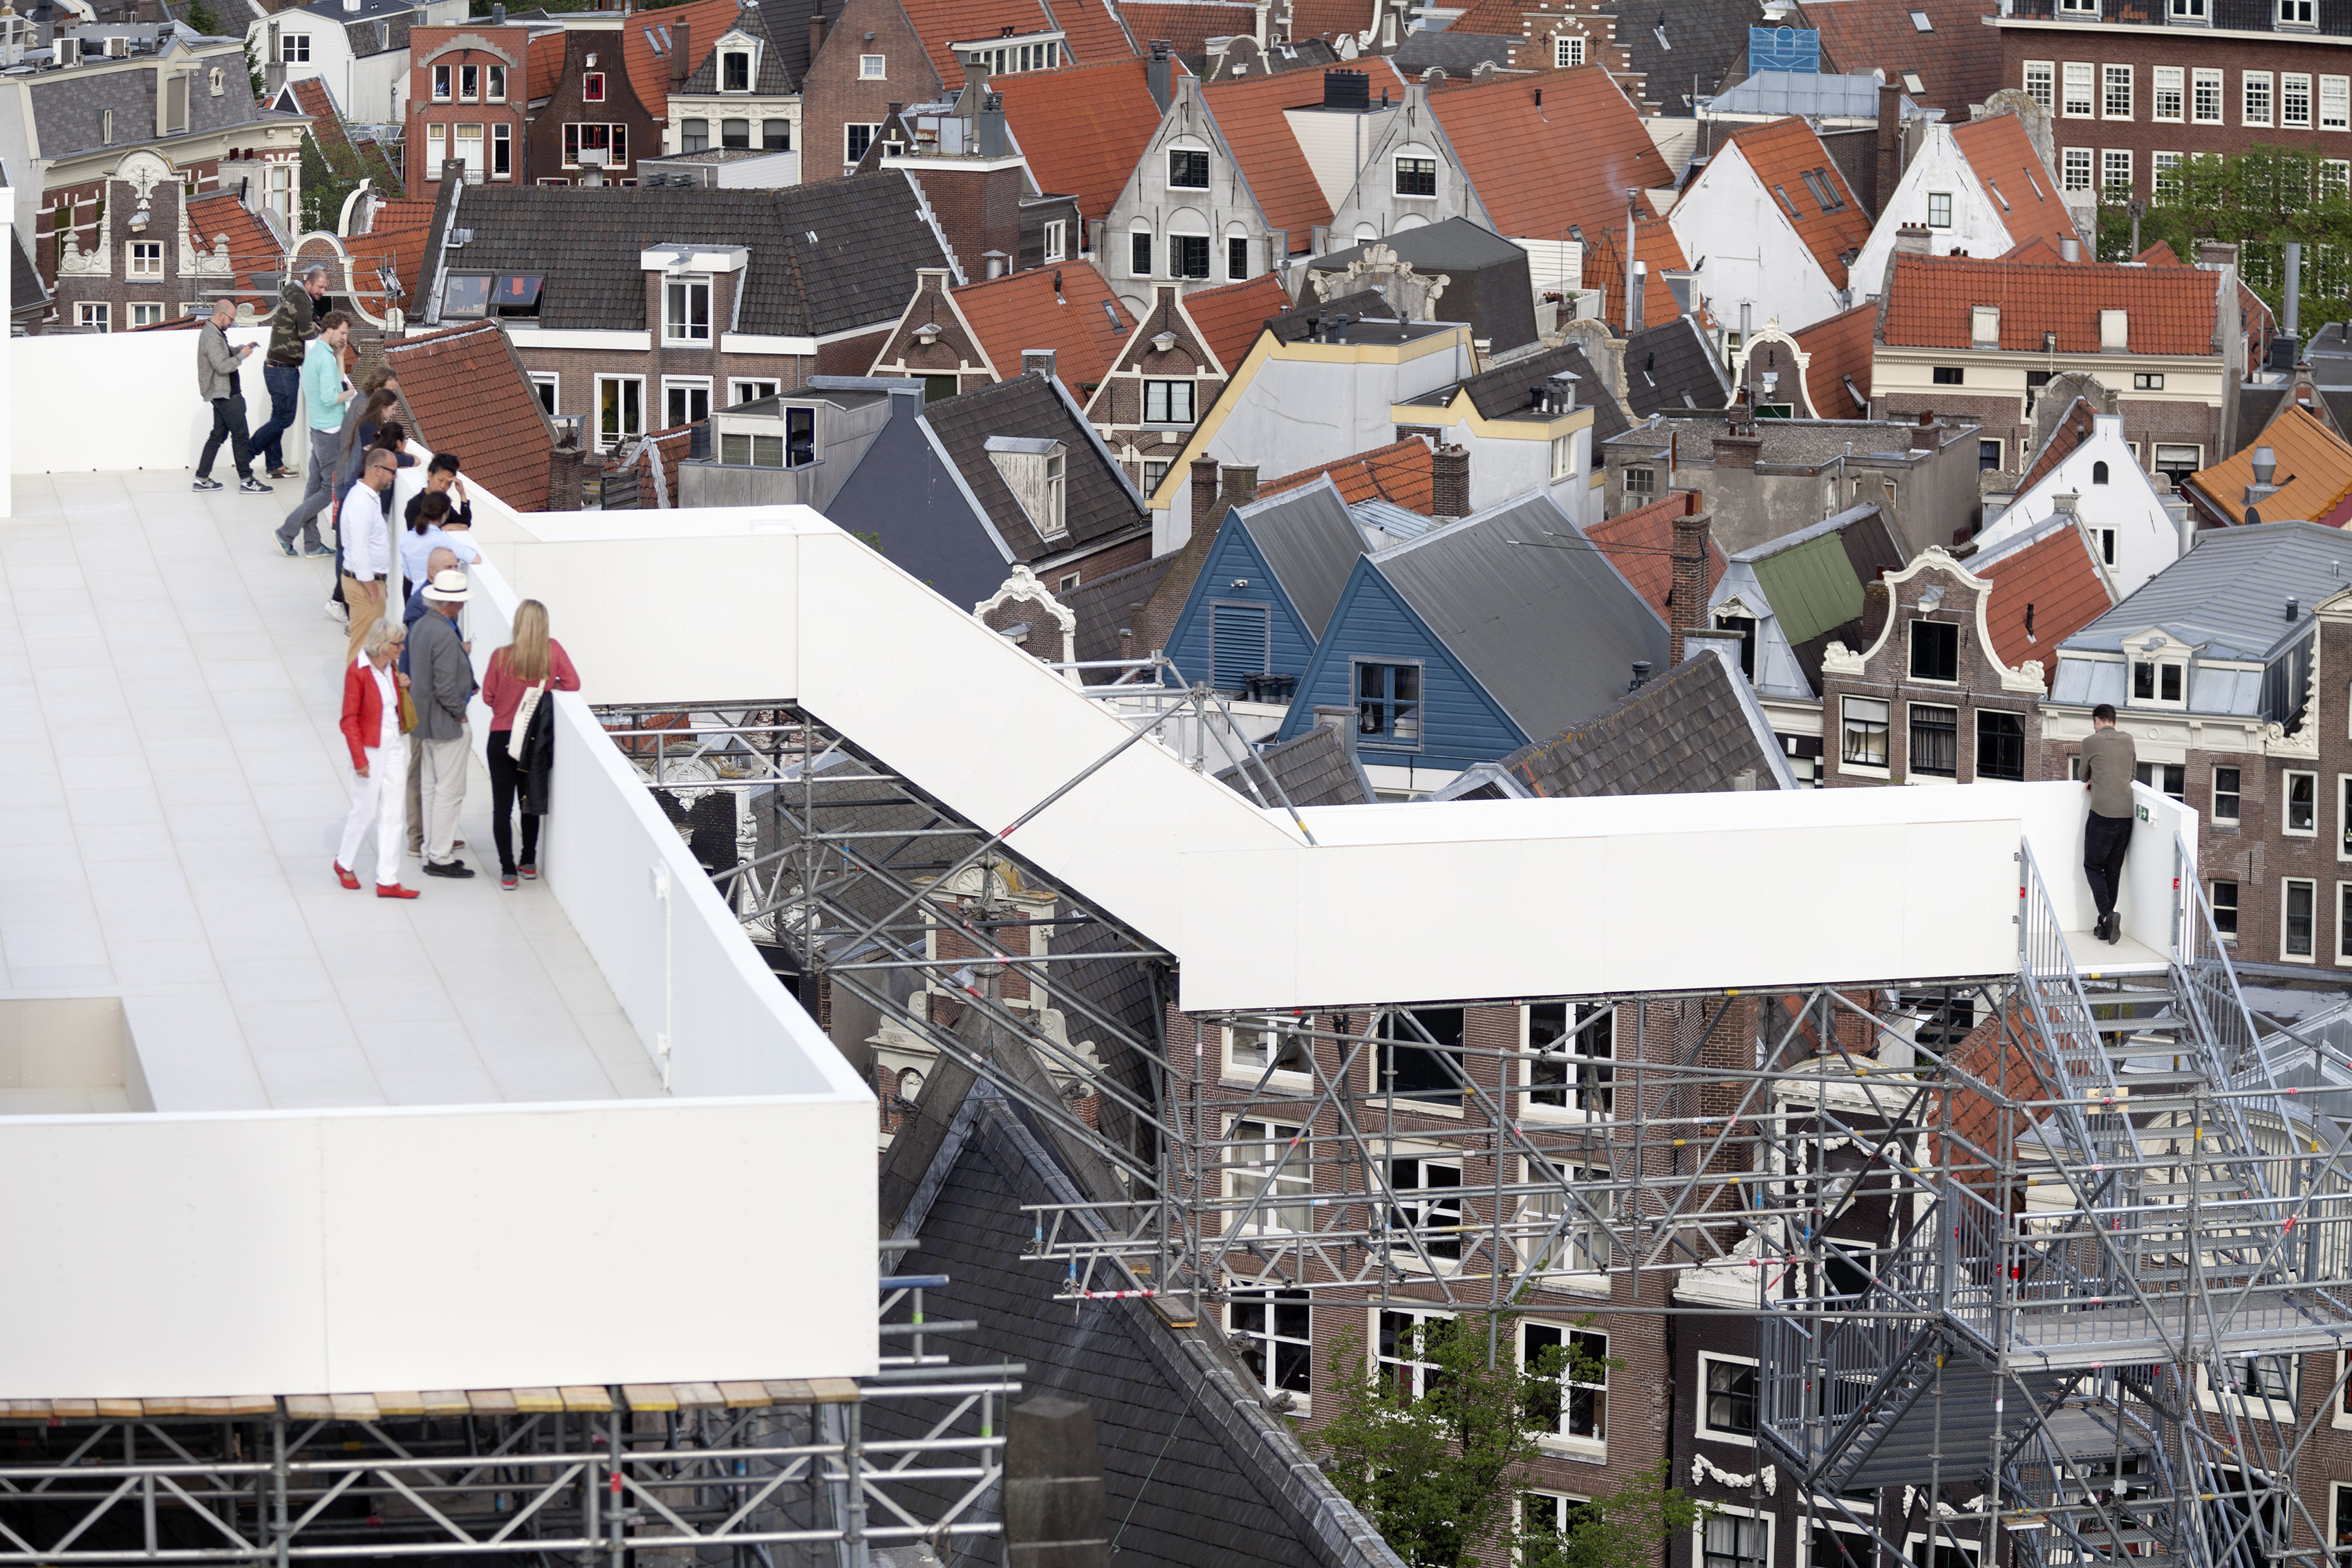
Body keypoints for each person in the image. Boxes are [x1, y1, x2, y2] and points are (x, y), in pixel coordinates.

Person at [481, 599, 580, 890]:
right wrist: (550, 686)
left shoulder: (501, 656)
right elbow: (573, 683)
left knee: (502, 808)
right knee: (529, 802)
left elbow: (488, 696)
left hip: (501, 738)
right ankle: (528, 862)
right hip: (531, 740)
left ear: (518, 623)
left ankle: (507, 872)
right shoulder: (552, 651)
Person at [335, 619, 420, 899]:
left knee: (393, 813)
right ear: (382, 645)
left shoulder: (391, 667)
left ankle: (388, 879)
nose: (402, 648)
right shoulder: (357, 671)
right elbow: (349, 719)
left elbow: (392, 706)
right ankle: (344, 863)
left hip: (394, 743)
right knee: (366, 811)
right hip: (369, 747)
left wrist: (404, 685)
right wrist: (360, 759)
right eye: (398, 644)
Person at [410, 568, 480, 879]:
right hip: (446, 724)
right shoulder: (442, 632)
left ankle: (432, 851)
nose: (462, 605)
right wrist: (459, 712)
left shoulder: (422, 626)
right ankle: (440, 856)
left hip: (426, 722)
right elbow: (445, 686)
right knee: (449, 792)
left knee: (431, 788)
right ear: (451, 603)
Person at [276, 310, 353, 557]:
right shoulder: (324, 359)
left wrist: (340, 356)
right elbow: (331, 397)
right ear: (329, 329)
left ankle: (312, 545)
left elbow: (332, 383)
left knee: (314, 488)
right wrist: (352, 393)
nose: (345, 338)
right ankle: (286, 532)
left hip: (318, 429)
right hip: (330, 432)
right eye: (342, 333)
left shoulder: (317, 354)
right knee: (327, 491)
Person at [401, 545, 462, 857]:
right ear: (432, 572)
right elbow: (419, 657)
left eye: (456, 565)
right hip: (424, 704)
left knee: (433, 773)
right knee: (420, 770)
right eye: (449, 567)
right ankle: (419, 836)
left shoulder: (440, 603)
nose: (455, 571)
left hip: (431, 703)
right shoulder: (421, 607)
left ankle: (436, 835)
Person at [251, 263, 330, 479]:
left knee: (278, 417)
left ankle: (274, 466)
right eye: (320, 287)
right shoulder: (301, 299)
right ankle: (247, 451)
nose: (323, 292)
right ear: (309, 284)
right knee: (284, 419)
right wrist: (319, 331)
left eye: (325, 288)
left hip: (277, 366)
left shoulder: (296, 297)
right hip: (283, 369)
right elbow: (307, 333)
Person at [192, 299, 270, 495]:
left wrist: (242, 349)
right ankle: (247, 480)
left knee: (217, 435)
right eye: (231, 319)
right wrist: (242, 356)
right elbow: (222, 365)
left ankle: (201, 479)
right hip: (226, 395)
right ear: (221, 315)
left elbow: (224, 354)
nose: (232, 323)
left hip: (223, 393)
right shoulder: (211, 335)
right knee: (240, 435)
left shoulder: (214, 333)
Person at [2080, 702, 2138, 944]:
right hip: (2126, 813)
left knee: (2093, 866)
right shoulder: (2129, 740)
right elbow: (2132, 775)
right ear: (2114, 721)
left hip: (2102, 814)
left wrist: (2094, 780)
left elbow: (2083, 775)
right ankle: (2105, 927)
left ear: (2096, 721)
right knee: (2113, 869)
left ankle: (2106, 914)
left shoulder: (2090, 742)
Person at [339, 447, 400, 662]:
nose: (395, 476)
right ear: (377, 470)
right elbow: (358, 551)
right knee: (362, 648)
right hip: (364, 585)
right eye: (392, 471)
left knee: (368, 647)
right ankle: (354, 685)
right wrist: (372, 589)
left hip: (368, 582)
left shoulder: (367, 498)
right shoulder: (362, 503)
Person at [400, 492, 481, 584]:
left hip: (415, 592)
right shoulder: (442, 539)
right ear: (444, 515)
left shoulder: (405, 538)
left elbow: (409, 576)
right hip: (436, 591)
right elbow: (475, 559)